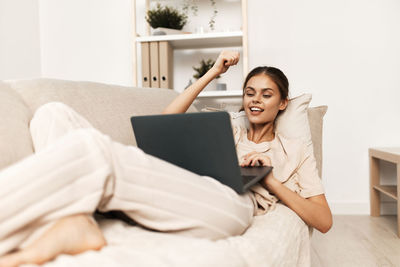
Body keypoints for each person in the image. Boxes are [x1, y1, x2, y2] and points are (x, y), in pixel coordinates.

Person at [0, 51, 332, 267]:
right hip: (191, 185)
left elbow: (323, 219)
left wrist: (271, 180)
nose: (255, 100)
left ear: (283, 103)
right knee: (51, 114)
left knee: (92, 151)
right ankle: (75, 219)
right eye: (249, 92)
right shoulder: (229, 128)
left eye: (267, 94)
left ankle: (70, 218)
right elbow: (168, 118)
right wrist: (212, 72)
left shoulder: (295, 149)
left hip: (234, 203)